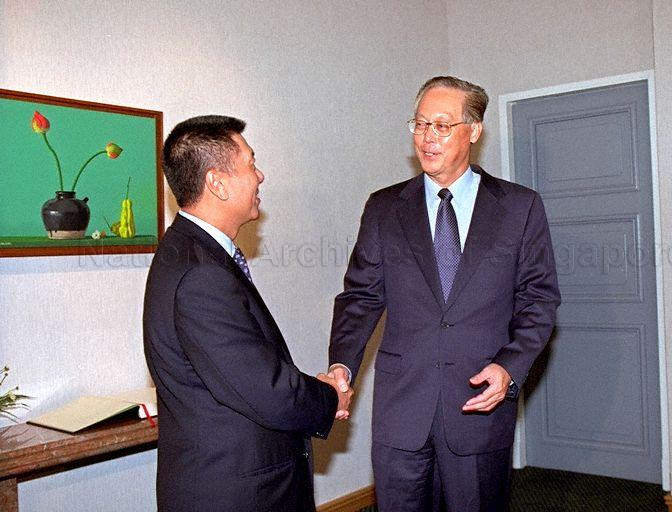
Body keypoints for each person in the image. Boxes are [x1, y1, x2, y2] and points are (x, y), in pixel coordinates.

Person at [327, 76, 560, 511]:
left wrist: (509, 368)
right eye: (419, 124)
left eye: (441, 125)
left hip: (477, 408)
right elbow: (360, 297)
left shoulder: (519, 207)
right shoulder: (384, 208)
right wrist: (342, 363)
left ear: (473, 130)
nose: (427, 137)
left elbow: (539, 300)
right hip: (402, 408)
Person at [144, 115, 351, 512]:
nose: (261, 175)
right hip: (237, 494)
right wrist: (328, 394)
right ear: (217, 183)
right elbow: (265, 389)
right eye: (251, 164)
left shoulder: (188, 251)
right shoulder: (201, 274)